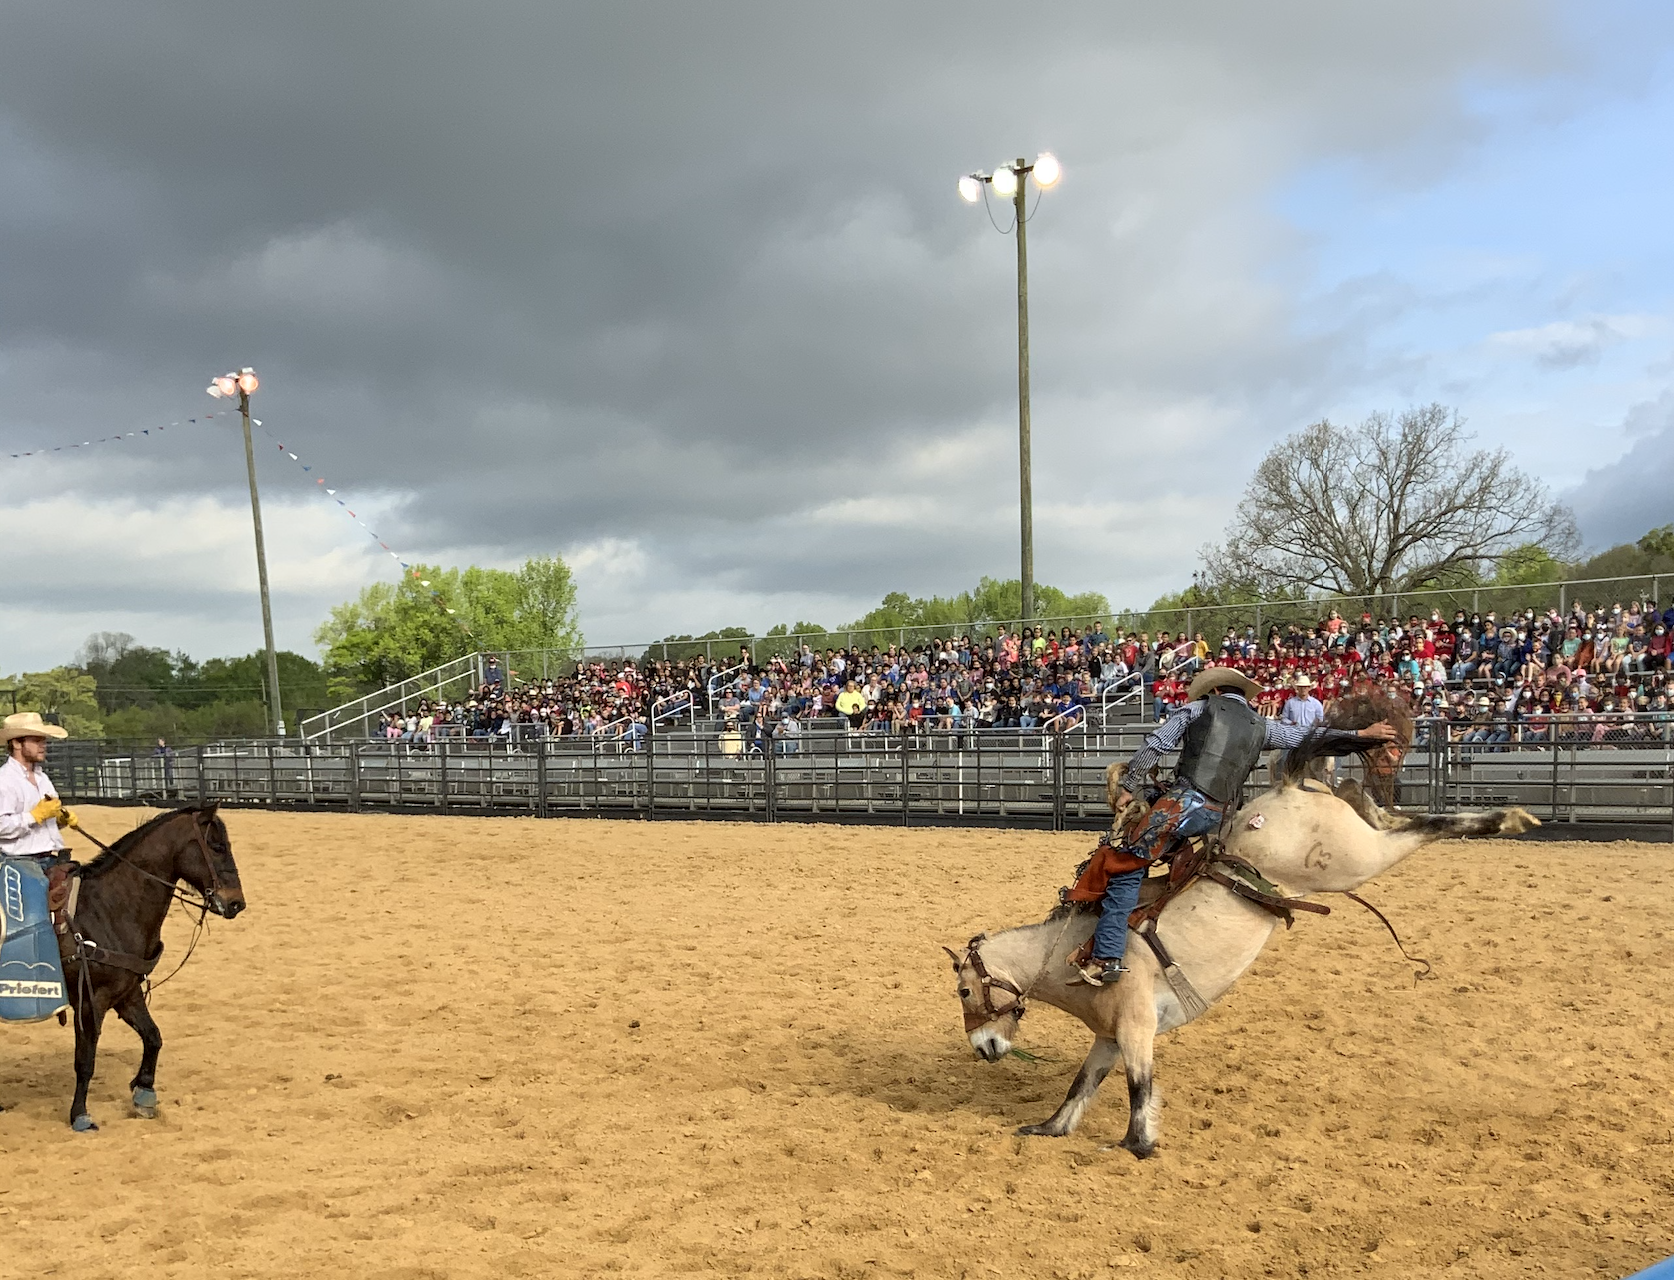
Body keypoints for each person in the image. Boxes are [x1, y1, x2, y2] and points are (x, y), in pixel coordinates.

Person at [1084, 666, 1398, 986]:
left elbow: (1155, 745)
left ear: (1215, 691)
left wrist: (1128, 784)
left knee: (1126, 865)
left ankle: (1108, 954)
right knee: (1161, 819)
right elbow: (1308, 737)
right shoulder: (1262, 726)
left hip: (1182, 808)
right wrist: (1360, 737)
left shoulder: (1196, 709)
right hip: (1219, 816)